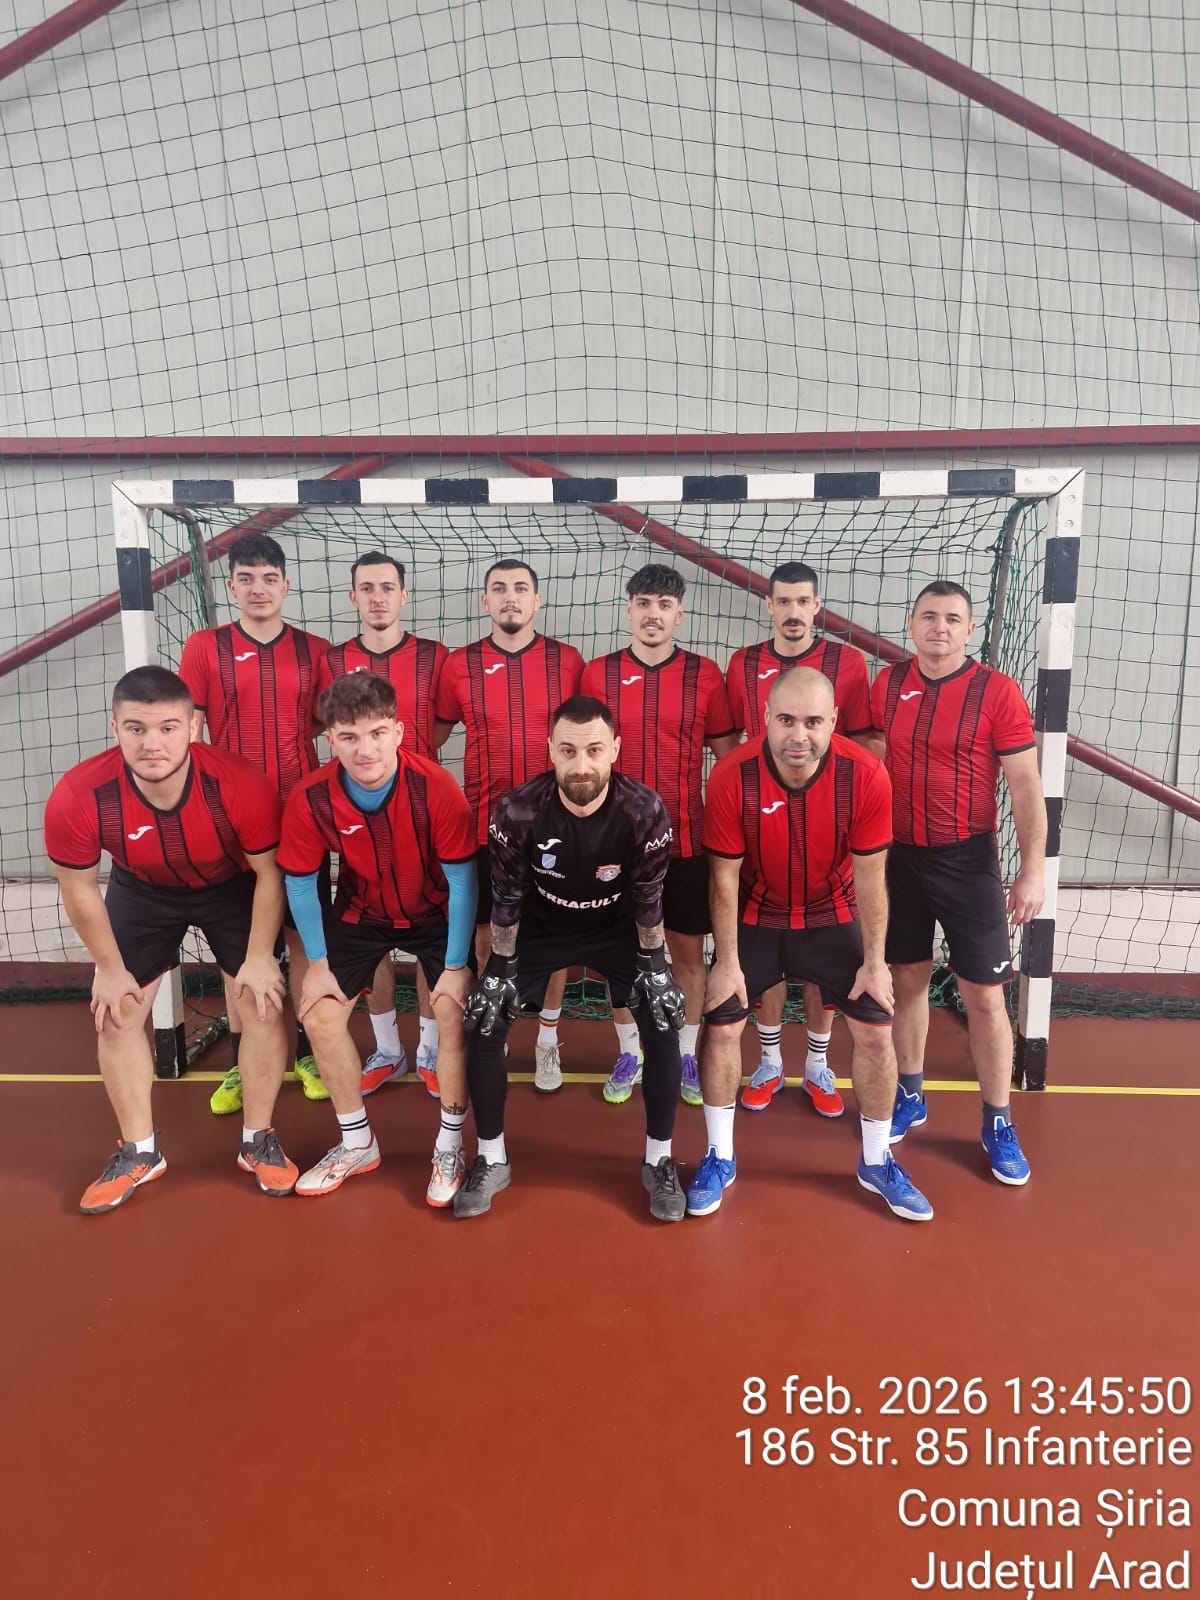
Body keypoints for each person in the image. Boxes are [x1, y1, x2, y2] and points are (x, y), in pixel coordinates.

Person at [44, 666, 295, 1212]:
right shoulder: (80, 794)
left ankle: (258, 1140)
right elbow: (79, 889)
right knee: (116, 1013)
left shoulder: (239, 784)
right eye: (136, 728)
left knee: (261, 1002)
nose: (151, 743)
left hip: (231, 885)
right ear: (115, 728)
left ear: (193, 728)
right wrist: (109, 970)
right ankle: (139, 1152)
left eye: (167, 728)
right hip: (142, 891)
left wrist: (258, 957)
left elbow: (271, 874)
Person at [688, 667, 933, 1223]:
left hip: (833, 915)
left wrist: (875, 963)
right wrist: (727, 962)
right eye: (786, 720)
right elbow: (723, 880)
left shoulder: (865, 774)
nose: (799, 735)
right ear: (765, 720)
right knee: (721, 1023)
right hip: (758, 915)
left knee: (876, 1028)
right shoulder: (730, 775)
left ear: (834, 722)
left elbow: (872, 879)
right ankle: (719, 1155)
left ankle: (877, 1161)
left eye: (814, 722)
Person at [458, 696, 686, 1221]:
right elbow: (506, 897)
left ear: (615, 750)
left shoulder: (644, 810)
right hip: (542, 928)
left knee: (662, 1022)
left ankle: (660, 1159)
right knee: (486, 1023)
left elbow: (649, 897)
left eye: (594, 751)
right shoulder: (517, 810)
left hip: (616, 929)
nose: (581, 765)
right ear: (550, 751)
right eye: (568, 751)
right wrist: (499, 968)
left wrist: (655, 964)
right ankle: (491, 1157)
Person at [277, 672, 478, 1206]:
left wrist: (455, 965)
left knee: (453, 1010)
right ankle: (356, 1143)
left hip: (434, 912)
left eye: (376, 733)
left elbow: (463, 882)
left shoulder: (436, 786)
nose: (364, 749)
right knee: (319, 1015)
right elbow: (300, 883)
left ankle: (450, 1145)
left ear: (399, 732)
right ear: (329, 739)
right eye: (348, 736)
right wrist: (318, 964)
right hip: (361, 914)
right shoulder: (311, 798)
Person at [870, 581, 1046, 1185]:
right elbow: (867, 766)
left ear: (969, 630)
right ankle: (910, 1092)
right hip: (897, 860)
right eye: (928, 616)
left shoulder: (997, 692)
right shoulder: (887, 685)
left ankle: (998, 1122)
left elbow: (1025, 786)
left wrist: (1033, 870)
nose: (939, 627)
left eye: (951, 618)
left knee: (987, 997)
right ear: (911, 625)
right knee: (906, 982)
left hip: (968, 862)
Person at [177, 531, 331, 1112]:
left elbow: (320, 723)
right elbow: (189, 729)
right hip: (228, 819)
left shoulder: (315, 650)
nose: (258, 588)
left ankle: (309, 1052)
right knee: (239, 945)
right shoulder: (203, 648)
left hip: (299, 816)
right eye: (246, 578)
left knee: (302, 935)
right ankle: (244, 1059)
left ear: (286, 586)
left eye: (269, 578)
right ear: (232, 586)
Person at [580, 564, 737, 1107]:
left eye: (664, 605)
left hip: (685, 845)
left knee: (687, 954)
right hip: (613, 846)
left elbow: (727, 760)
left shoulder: (706, 675)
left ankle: (684, 1053)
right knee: (621, 953)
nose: (653, 614)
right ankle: (631, 1051)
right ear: (629, 609)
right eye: (644, 603)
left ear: (679, 614)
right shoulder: (597, 675)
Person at [725, 561, 874, 1119]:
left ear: (817, 606)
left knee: (822, 955)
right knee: (764, 950)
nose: (793, 611)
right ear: (768, 605)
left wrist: (844, 807)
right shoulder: (742, 664)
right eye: (782, 601)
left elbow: (865, 744)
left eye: (802, 601)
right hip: (760, 826)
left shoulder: (848, 663)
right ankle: (768, 1062)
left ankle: (816, 1064)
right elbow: (731, 744)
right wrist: (746, 797)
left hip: (828, 831)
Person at [434, 558, 584, 1092]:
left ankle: (547, 1041)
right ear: (485, 601)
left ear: (537, 600)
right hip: (484, 827)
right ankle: (493, 1033)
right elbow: (432, 738)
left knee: (557, 935)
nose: (510, 597)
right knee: (485, 935)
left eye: (521, 588)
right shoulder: (459, 665)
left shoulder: (568, 661)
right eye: (498, 588)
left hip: (556, 826)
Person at [314, 550, 449, 1099]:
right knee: (367, 930)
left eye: (387, 587)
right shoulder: (331, 660)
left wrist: (408, 775)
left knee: (433, 934)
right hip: (358, 820)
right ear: (353, 597)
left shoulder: (435, 657)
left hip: (423, 820)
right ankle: (389, 1048)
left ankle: (430, 1050)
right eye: (366, 588)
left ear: (403, 595)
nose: (377, 597)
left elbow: (439, 727)